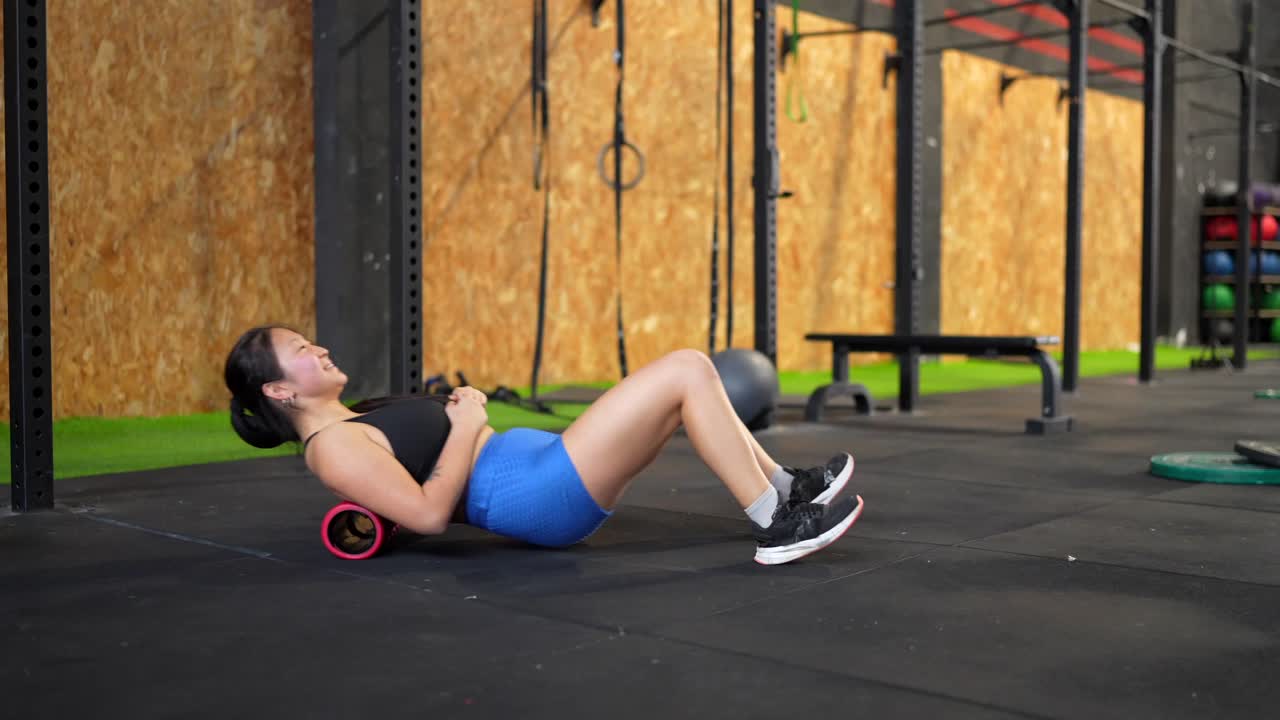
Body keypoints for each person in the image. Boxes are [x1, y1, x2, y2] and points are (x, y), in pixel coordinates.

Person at [224, 325, 864, 565]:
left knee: (684, 382)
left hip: (540, 470)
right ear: (279, 391)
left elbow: (401, 503)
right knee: (686, 368)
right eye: (304, 352)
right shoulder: (331, 447)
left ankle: (785, 490)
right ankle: (775, 525)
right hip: (536, 493)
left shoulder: (355, 418)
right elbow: (423, 513)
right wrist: (468, 427)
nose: (322, 348)